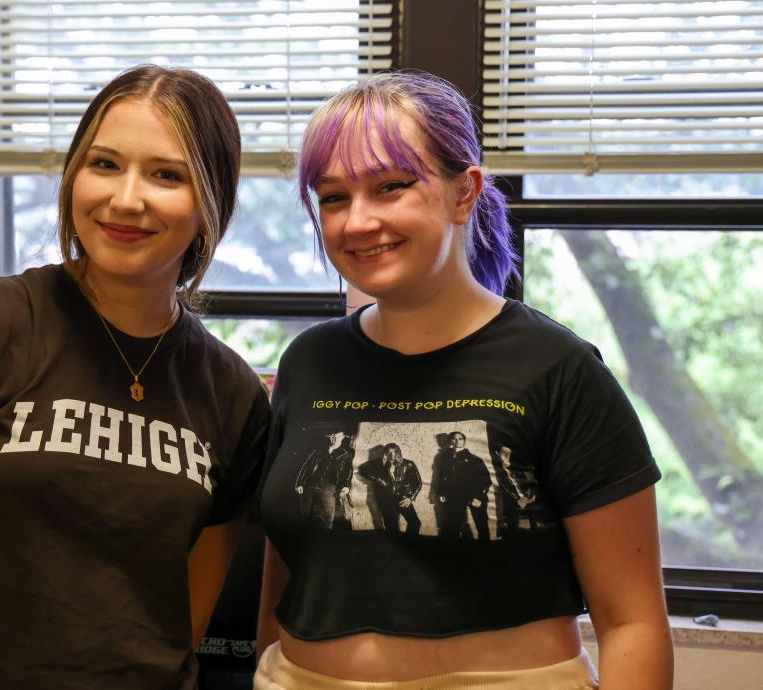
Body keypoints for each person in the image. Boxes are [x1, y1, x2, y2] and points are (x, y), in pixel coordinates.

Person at [0, 65, 270, 690]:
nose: (126, 199)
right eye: (104, 164)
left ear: (210, 206)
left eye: (166, 174)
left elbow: (185, 614)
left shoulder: (232, 393)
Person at [256, 71, 673, 689]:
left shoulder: (558, 369)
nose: (357, 220)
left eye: (390, 186)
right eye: (334, 197)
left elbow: (632, 621)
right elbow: (288, 566)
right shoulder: (306, 362)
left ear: (464, 191)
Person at [358, 442, 422, 534]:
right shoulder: (380, 463)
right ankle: (393, 546)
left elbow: (418, 483)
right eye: (389, 452)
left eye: (394, 452)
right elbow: (362, 469)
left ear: (398, 452)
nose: (392, 455)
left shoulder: (408, 464)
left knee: (415, 523)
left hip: (402, 497)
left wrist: (410, 498)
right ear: (385, 453)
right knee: (392, 527)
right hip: (386, 499)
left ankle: (409, 543)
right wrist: (377, 479)